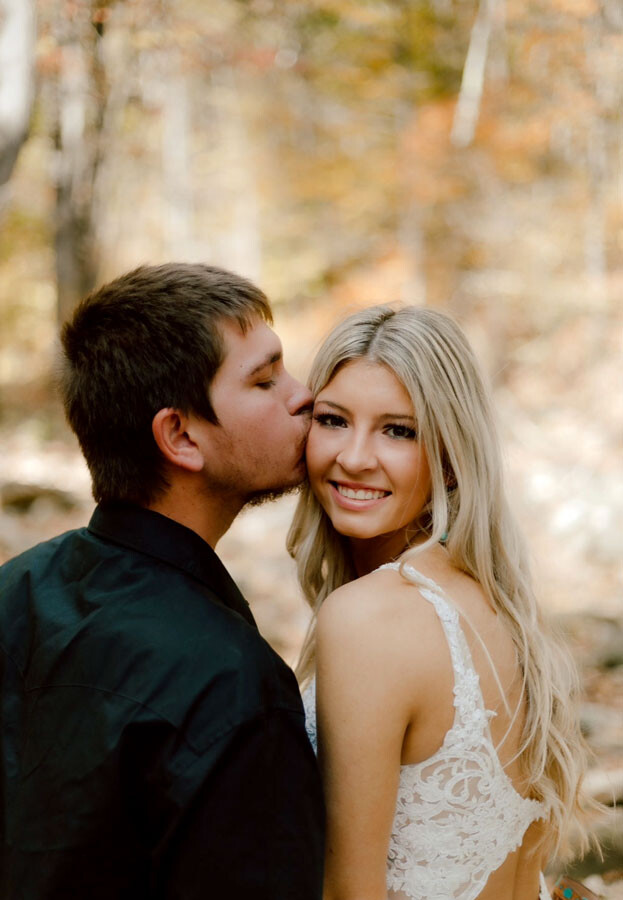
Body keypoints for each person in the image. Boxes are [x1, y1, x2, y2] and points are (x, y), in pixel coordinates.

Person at [0, 263, 325, 899]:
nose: (303, 394)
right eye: (264, 380)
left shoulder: (14, 587)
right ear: (179, 436)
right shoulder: (235, 688)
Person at [288, 305, 592, 900]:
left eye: (398, 430)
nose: (353, 456)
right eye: (332, 419)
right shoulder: (503, 609)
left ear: (452, 456)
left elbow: (349, 892)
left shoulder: (369, 618)